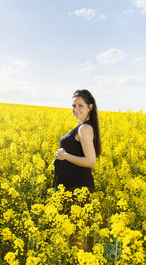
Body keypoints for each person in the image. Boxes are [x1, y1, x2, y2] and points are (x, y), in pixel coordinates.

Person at [53, 89, 102, 250]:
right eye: (73, 105)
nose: (76, 109)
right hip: (69, 188)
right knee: (71, 233)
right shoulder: (82, 127)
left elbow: (90, 161)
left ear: (90, 107)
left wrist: (65, 156)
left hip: (77, 189)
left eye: (81, 105)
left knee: (77, 235)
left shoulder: (85, 129)